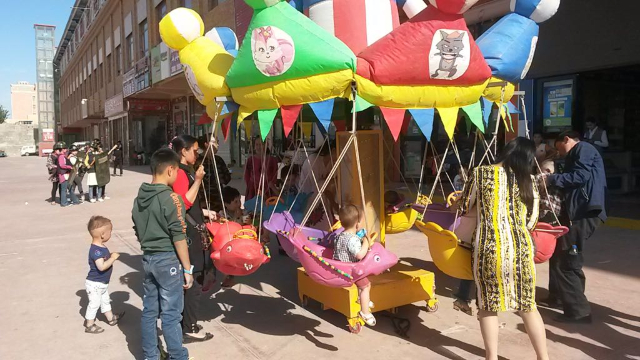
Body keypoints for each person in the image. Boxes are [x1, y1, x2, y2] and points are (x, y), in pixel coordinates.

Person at [458, 137, 548, 360]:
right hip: (521, 250)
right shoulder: (529, 180)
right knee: (528, 306)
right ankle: (543, 358)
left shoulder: (480, 173)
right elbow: (532, 221)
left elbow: (462, 206)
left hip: (489, 249)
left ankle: (492, 357)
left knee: (488, 306)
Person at [132, 148, 193, 360]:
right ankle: (177, 355)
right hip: (168, 260)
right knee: (171, 313)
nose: (177, 177)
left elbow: (137, 228)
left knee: (149, 310)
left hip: (148, 258)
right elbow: (179, 236)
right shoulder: (172, 199)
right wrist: (187, 269)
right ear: (170, 170)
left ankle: (151, 355)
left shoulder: (140, 198)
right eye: (177, 172)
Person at [542, 130, 607, 323]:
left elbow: (580, 177)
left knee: (568, 260)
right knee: (557, 255)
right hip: (575, 213)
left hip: (585, 213)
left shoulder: (583, 148)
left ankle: (578, 311)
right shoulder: (576, 154)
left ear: (567, 139)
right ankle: (558, 297)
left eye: (558, 147)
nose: (558, 152)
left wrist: (551, 179)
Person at [170, 135, 216, 343]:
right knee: (193, 281)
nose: (196, 154)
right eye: (194, 150)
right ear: (183, 151)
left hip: (193, 226)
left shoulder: (183, 171)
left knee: (192, 280)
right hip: (188, 234)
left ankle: (185, 323)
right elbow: (183, 203)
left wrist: (204, 211)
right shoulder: (180, 173)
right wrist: (197, 180)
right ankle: (188, 326)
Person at [332, 204, 376, 327]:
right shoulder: (353, 240)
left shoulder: (339, 236)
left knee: (367, 284)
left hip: (340, 267)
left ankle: (362, 299)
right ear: (357, 224)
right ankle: (365, 312)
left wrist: (359, 238)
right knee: (365, 287)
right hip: (351, 271)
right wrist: (366, 242)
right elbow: (359, 255)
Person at [84, 216, 124, 334]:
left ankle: (111, 318)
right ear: (102, 234)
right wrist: (112, 258)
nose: (110, 234)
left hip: (102, 283)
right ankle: (89, 324)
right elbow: (101, 266)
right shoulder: (96, 251)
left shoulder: (100, 247)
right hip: (95, 284)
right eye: (110, 232)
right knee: (94, 304)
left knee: (105, 301)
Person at [197, 134, 231, 210]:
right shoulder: (198, 161)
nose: (218, 145)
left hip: (219, 199)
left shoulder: (218, 160)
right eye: (215, 142)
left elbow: (227, 179)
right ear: (206, 144)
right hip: (203, 200)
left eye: (218, 142)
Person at [535, 160, 563, 225]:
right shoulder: (557, 181)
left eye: (538, 170)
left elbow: (533, 186)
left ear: (547, 170)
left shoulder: (542, 176)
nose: (537, 172)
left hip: (544, 210)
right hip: (556, 212)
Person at [57, 142, 79, 207]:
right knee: (64, 189)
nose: (66, 150)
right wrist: (70, 167)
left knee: (70, 188)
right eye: (64, 148)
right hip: (63, 175)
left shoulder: (64, 156)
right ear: (62, 149)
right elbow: (62, 165)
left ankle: (75, 200)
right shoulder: (61, 156)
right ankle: (64, 203)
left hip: (66, 174)